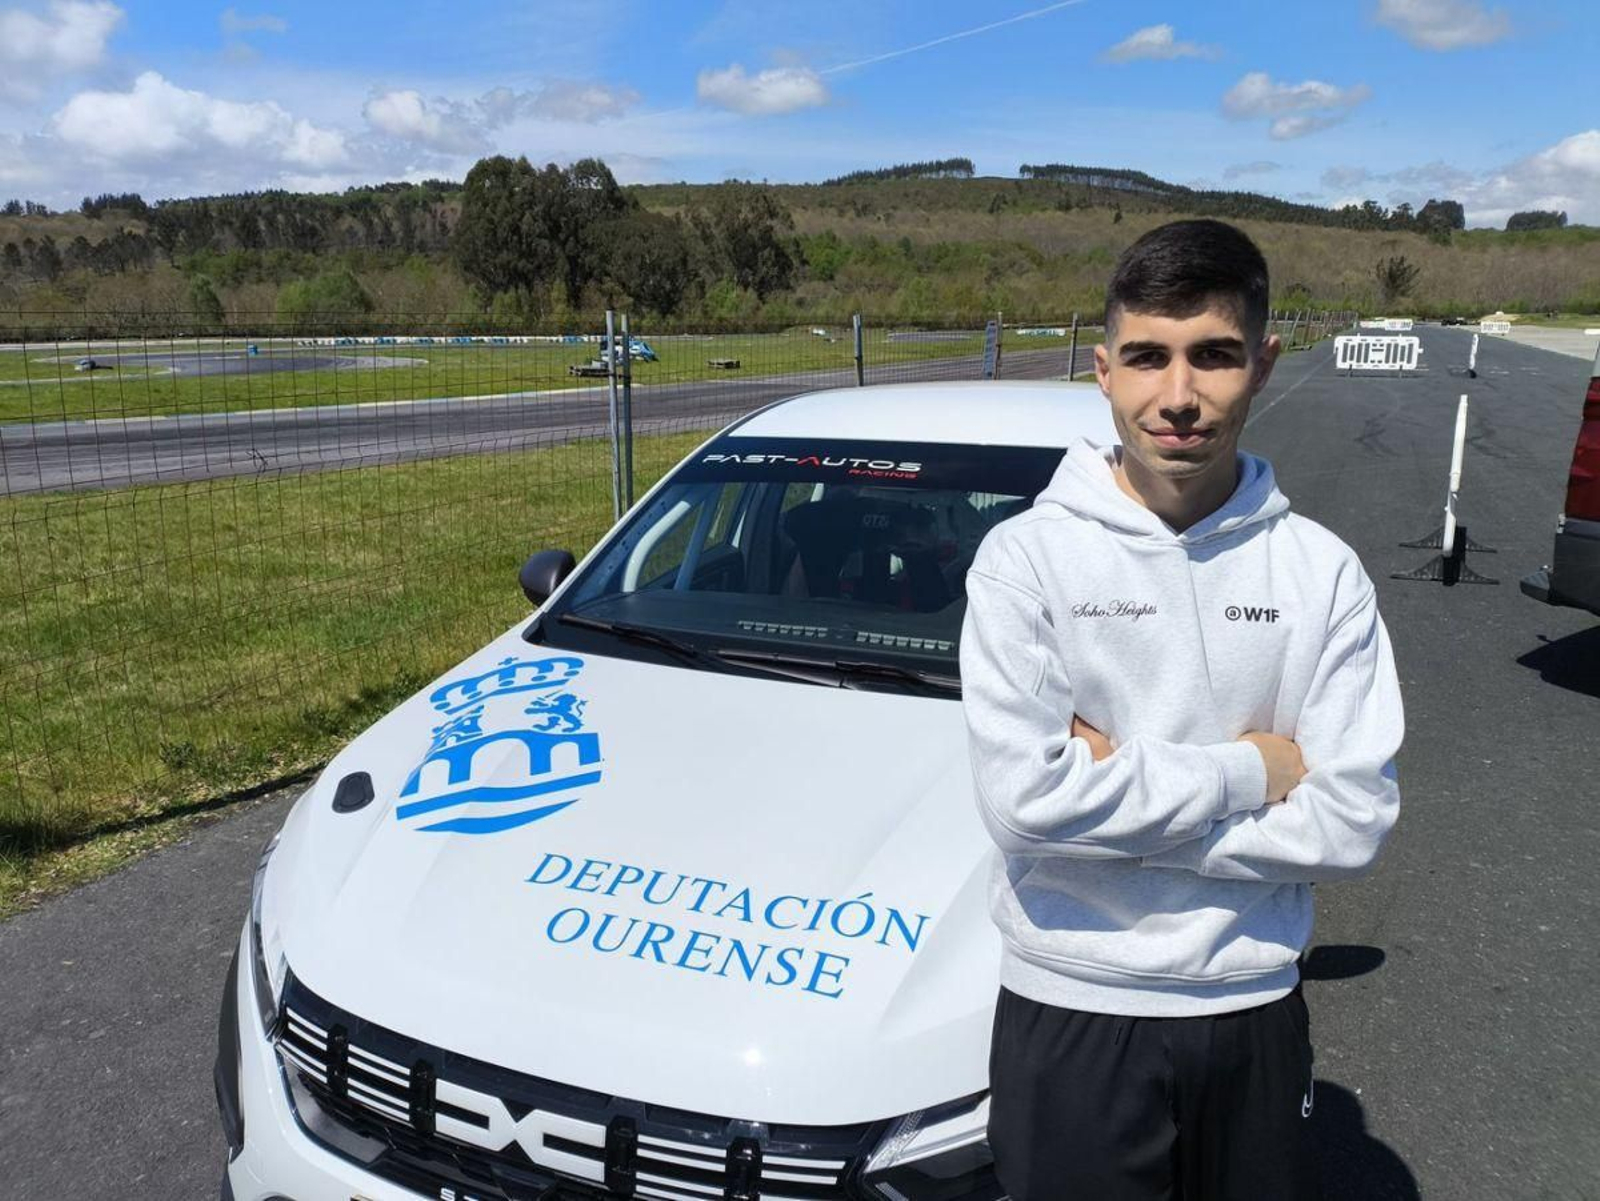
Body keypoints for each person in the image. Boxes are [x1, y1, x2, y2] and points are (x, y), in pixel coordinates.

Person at [959, 219, 1404, 1199]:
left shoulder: (1320, 574)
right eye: (1147, 358)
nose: (1178, 396)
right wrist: (1246, 774)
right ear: (1102, 370)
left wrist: (1109, 808)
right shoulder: (1025, 561)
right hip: (1068, 1013)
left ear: (1264, 362)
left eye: (1213, 355)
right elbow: (1024, 808)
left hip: (1250, 1012)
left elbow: (1354, 822)